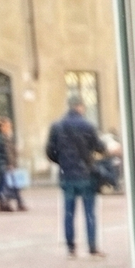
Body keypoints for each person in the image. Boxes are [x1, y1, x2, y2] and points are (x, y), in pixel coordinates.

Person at [45, 95, 104, 257]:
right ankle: (92, 246)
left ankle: (71, 248)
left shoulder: (57, 126)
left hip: (67, 175)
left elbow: (50, 152)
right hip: (86, 174)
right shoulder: (87, 125)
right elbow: (99, 147)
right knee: (89, 212)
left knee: (68, 212)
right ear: (80, 107)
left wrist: (63, 162)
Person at [0, 117, 25, 212]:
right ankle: (6, 204)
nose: (9, 128)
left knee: (1, 186)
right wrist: (10, 164)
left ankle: (2, 205)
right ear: (2, 127)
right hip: (2, 165)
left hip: (1, 165)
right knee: (5, 186)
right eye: (8, 126)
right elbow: (6, 152)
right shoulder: (1, 137)